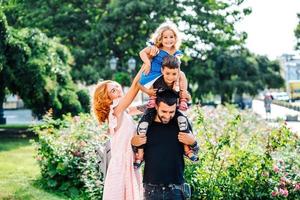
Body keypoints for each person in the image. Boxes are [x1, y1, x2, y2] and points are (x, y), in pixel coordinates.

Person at [131, 89, 200, 200]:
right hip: (150, 190)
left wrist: (193, 142)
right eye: (164, 111)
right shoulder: (145, 126)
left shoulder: (181, 123)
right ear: (156, 106)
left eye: (171, 112)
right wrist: (133, 144)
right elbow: (136, 155)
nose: (168, 116)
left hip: (176, 189)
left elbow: (195, 153)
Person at [134, 55, 197, 168]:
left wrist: (187, 97)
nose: (170, 77)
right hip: (155, 107)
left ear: (178, 72)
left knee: (183, 121)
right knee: (143, 125)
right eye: (168, 73)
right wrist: (148, 92)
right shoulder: (157, 77)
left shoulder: (180, 78)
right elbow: (138, 83)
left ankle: (188, 150)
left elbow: (185, 95)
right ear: (162, 70)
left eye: (174, 74)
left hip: (173, 108)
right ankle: (140, 155)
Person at [93, 67, 144, 200]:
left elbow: (142, 108)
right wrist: (145, 65)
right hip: (121, 165)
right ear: (107, 98)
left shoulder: (124, 111)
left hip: (129, 161)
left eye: (117, 86)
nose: (118, 90)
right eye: (113, 90)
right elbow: (133, 89)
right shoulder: (115, 110)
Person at [139, 21, 189, 111]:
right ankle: (152, 98)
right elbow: (142, 52)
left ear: (175, 38)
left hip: (168, 74)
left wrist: (177, 81)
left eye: (171, 37)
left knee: (182, 74)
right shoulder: (156, 48)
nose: (168, 40)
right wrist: (147, 63)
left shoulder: (176, 52)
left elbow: (177, 67)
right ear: (160, 38)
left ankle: (183, 99)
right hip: (155, 71)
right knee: (146, 75)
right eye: (165, 37)